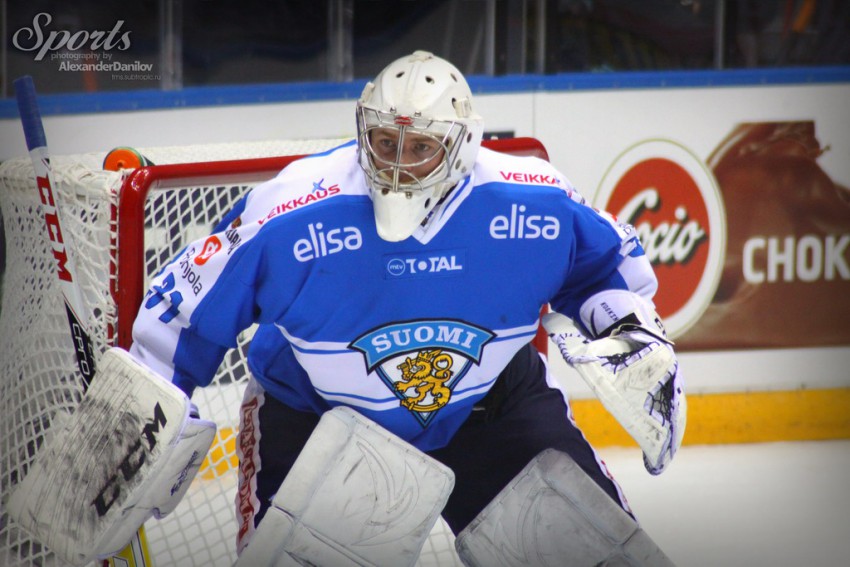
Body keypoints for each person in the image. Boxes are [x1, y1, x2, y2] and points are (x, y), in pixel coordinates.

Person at [129, 50, 684, 558]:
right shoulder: (294, 210)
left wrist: (628, 328)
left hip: (490, 408)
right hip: (318, 417)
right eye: (385, 142)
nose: (397, 164)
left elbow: (604, 267)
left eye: (421, 147)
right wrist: (151, 410)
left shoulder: (532, 202)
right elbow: (183, 309)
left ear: (461, 145)